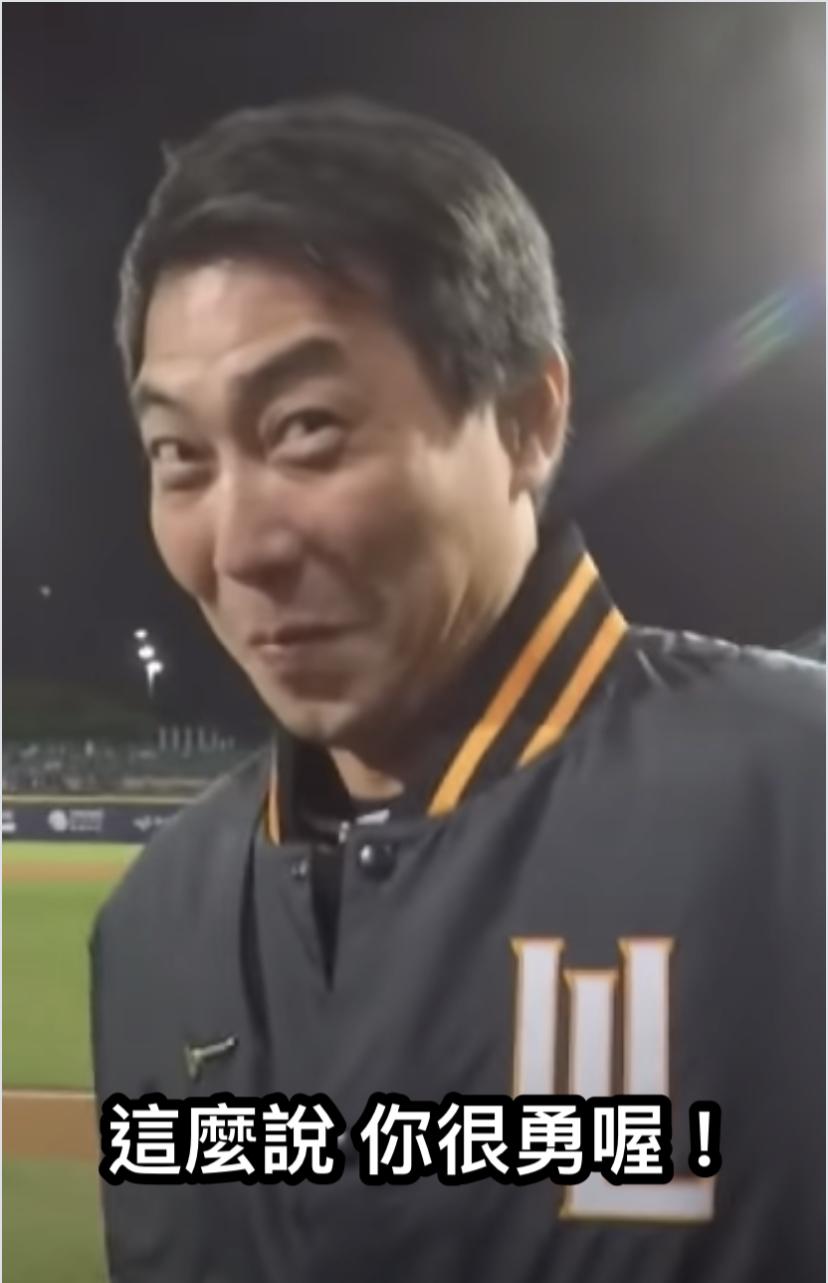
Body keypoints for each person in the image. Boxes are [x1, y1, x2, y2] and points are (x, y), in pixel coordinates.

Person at [91, 96, 824, 1283]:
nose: (239, 543)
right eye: (181, 456)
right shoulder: (151, 928)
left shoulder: (796, 807)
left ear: (528, 418)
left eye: (307, 428)